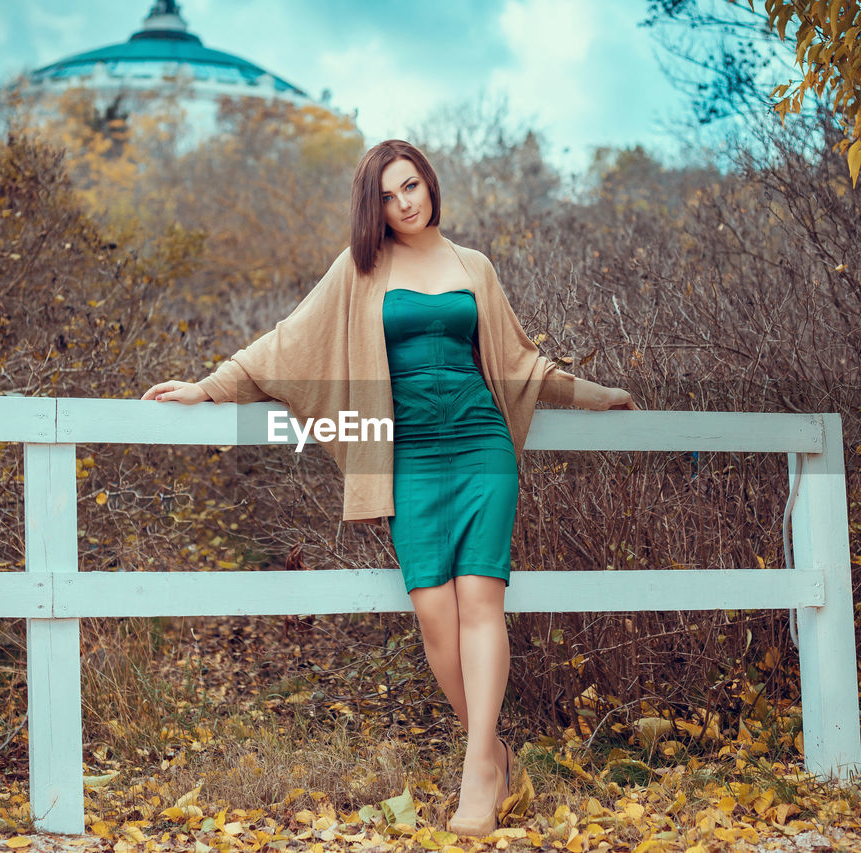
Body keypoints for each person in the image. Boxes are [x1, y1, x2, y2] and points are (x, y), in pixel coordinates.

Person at [142, 139, 636, 836]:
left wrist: (595, 393)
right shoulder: (361, 269)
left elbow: (522, 363)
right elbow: (286, 344)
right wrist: (207, 387)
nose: (405, 202)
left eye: (412, 186)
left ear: (429, 184)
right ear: (373, 208)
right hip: (410, 459)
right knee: (435, 613)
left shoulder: (474, 267)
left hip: (481, 447)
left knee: (479, 604)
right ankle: (493, 752)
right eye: (389, 195)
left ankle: (476, 778)